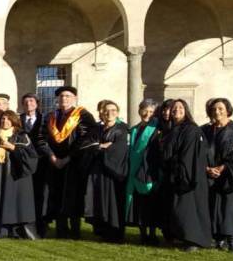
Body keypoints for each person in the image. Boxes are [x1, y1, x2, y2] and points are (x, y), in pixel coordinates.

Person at [36, 86, 97, 239]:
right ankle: (60, 228)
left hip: (74, 162)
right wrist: (52, 157)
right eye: (62, 96)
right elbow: (41, 138)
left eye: (68, 96)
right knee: (55, 194)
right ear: (57, 99)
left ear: (74, 98)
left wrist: (69, 157)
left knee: (73, 195)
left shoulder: (83, 115)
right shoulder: (50, 117)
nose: (64, 99)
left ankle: (75, 229)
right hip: (54, 163)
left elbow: (87, 138)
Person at [203, 98, 233, 253]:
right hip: (211, 175)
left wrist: (222, 168)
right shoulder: (205, 131)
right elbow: (200, 153)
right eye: (214, 109)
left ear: (228, 110)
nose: (217, 111)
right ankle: (217, 238)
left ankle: (231, 238)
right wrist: (207, 168)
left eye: (220, 108)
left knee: (230, 207)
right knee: (214, 206)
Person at [164, 99, 212, 252]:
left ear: (186, 110)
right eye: (174, 108)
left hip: (189, 175)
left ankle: (194, 240)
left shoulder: (191, 129)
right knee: (180, 209)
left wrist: (181, 170)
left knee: (190, 208)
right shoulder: (172, 129)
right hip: (176, 174)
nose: (176, 110)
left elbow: (189, 154)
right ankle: (182, 236)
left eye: (180, 107)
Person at [0, 110, 39, 239]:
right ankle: (3, 230)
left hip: (15, 174)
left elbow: (31, 156)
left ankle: (18, 230)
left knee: (16, 202)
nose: (5, 121)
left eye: (8, 119)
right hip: (0, 173)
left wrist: (13, 148)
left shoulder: (21, 135)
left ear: (14, 121)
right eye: (3, 119)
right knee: (1, 199)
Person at [84, 100, 128, 243]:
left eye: (114, 110)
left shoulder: (122, 129)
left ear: (118, 112)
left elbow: (120, 149)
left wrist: (101, 148)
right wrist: (102, 146)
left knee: (114, 201)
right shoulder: (97, 129)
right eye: (106, 110)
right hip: (98, 171)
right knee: (99, 200)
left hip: (114, 172)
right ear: (101, 113)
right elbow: (87, 145)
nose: (110, 113)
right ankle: (102, 229)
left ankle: (115, 232)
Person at [126, 100, 162, 245]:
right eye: (145, 110)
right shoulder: (133, 129)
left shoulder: (157, 129)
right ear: (139, 110)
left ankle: (152, 234)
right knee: (139, 204)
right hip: (134, 172)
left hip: (149, 170)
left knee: (151, 203)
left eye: (151, 111)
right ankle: (142, 233)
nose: (147, 114)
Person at [19, 93, 49, 238]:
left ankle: (41, 225)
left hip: (41, 162)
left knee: (40, 194)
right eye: (25, 102)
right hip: (23, 163)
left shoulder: (46, 119)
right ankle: (23, 225)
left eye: (31, 101)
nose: (28, 104)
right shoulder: (18, 120)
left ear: (37, 104)